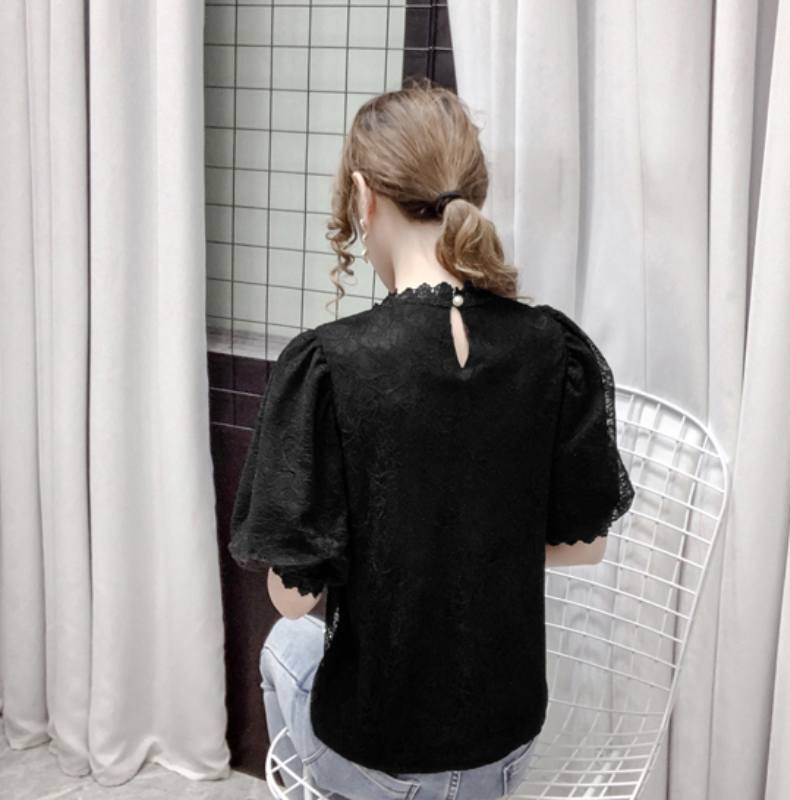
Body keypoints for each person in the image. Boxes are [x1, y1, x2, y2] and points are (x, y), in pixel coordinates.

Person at [228, 77, 636, 800]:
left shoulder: (332, 363)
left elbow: (292, 599)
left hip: (379, 753)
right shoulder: (553, 348)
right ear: (470, 192)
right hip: (505, 747)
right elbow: (586, 545)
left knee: (285, 645)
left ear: (364, 197)